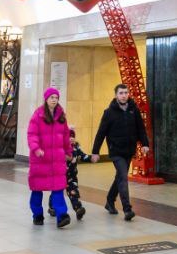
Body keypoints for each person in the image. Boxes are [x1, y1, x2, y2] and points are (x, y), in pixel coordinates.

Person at [90, 82, 149, 221]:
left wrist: (145, 143)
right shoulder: (109, 112)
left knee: (120, 177)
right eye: (121, 93)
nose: (123, 95)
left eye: (125, 93)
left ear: (128, 94)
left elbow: (141, 128)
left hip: (129, 150)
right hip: (116, 151)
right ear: (116, 95)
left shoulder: (134, 110)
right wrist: (95, 152)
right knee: (123, 176)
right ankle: (127, 209)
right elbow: (101, 133)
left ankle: (110, 201)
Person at [27, 87, 71, 228]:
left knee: (58, 188)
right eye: (51, 97)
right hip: (40, 159)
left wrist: (68, 151)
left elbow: (65, 136)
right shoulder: (38, 115)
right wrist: (36, 148)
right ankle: (37, 214)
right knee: (37, 189)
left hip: (57, 160)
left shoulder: (61, 116)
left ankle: (62, 216)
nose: (54, 100)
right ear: (46, 99)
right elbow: (32, 134)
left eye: (56, 98)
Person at [49, 129, 88, 221]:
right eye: (69, 137)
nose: (71, 139)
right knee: (56, 192)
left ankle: (78, 209)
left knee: (73, 193)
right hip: (60, 175)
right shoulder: (60, 148)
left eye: (73, 137)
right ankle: (52, 207)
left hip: (72, 177)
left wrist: (91, 158)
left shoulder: (76, 148)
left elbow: (83, 156)